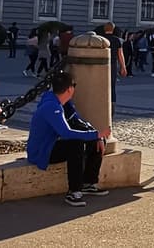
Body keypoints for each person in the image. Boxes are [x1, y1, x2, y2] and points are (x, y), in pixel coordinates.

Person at [26, 71, 111, 207]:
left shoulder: (60, 102)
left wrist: (97, 136)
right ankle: (74, 191)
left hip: (50, 145)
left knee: (94, 142)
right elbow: (66, 133)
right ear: (70, 89)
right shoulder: (51, 106)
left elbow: (77, 121)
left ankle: (88, 183)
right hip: (41, 152)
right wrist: (96, 135)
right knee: (75, 144)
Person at [101, 22, 127, 107]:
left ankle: (101, 101)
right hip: (112, 64)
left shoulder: (101, 39)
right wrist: (123, 67)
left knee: (101, 84)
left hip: (101, 65)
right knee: (112, 85)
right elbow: (120, 54)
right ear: (113, 29)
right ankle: (112, 104)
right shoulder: (117, 40)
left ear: (104, 29)